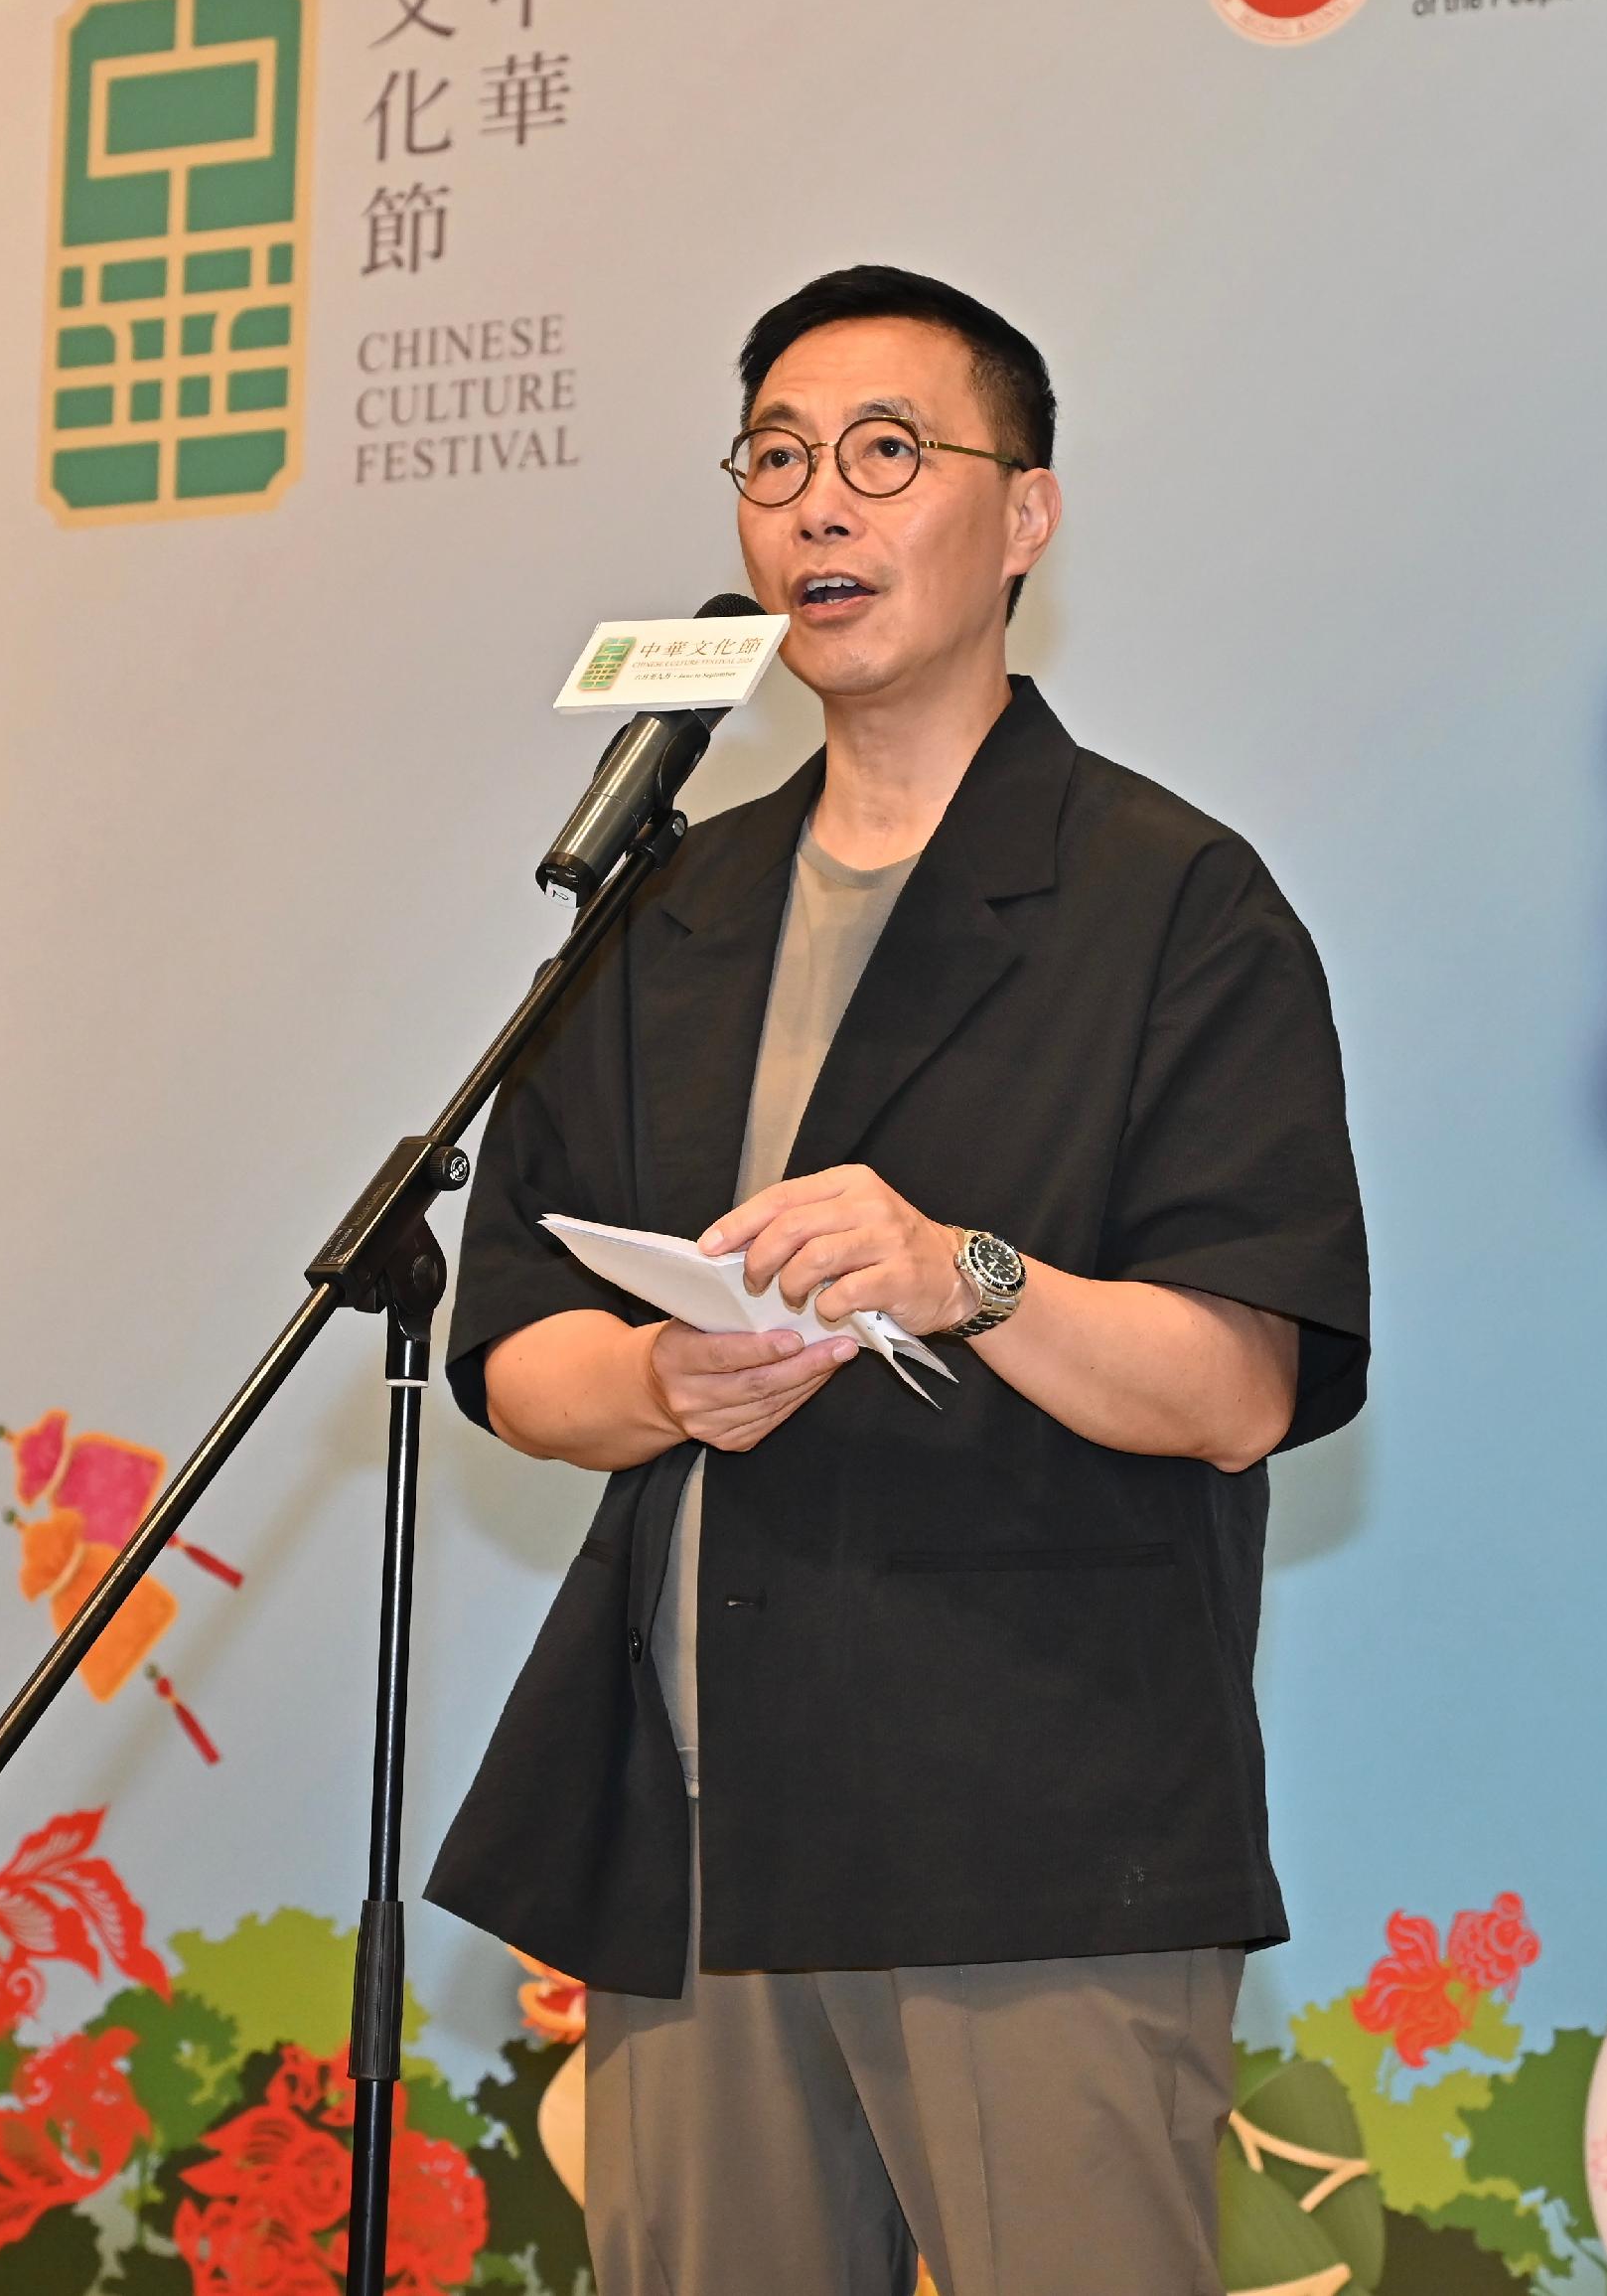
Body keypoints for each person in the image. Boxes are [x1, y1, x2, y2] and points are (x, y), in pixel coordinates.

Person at [426, 263, 1369, 2296]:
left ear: (1020, 514)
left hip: (1028, 1832)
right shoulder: (657, 909)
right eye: (773, 460)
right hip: (693, 1828)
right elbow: (512, 1349)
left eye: (882, 455)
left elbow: (1232, 1387)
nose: (817, 508)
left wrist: (972, 1275)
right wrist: (666, 1387)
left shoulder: (1168, 901)